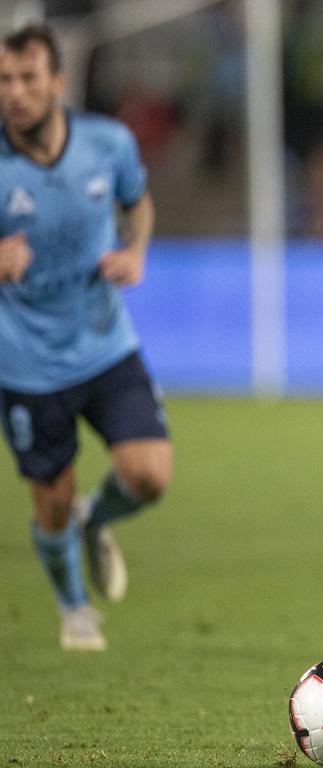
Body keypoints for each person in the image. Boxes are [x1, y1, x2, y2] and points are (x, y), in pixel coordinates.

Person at [0, 24, 171, 651]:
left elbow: (138, 198)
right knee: (49, 500)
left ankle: (94, 521)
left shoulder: (107, 142)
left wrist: (137, 249)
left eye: (27, 78)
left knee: (150, 475)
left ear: (57, 83)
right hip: (25, 362)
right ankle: (75, 609)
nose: (14, 92)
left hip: (104, 343)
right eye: (4, 80)